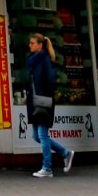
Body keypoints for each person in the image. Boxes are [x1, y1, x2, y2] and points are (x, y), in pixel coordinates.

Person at [26, 32, 74, 179]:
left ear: (40, 45)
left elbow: (50, 82)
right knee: (37, 136)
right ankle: (65, 153)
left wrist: (43, 97)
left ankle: (47, 168)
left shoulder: (45, 60)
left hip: (43, 102)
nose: (29, 45)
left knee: (42, 135)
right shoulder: (34, 59)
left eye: (32, 43)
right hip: (36, 101)